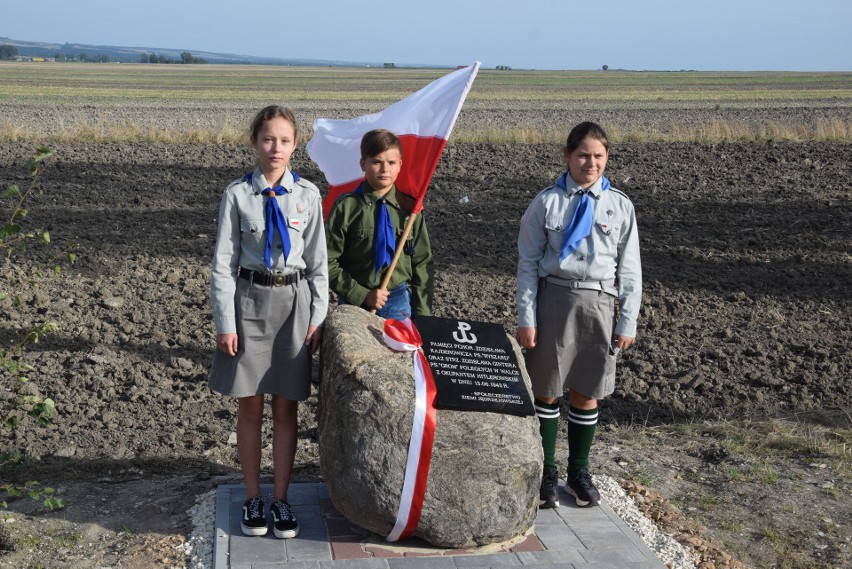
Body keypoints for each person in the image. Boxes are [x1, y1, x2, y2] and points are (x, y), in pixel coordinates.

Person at [209, 105, 328, 538]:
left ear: (295, 145)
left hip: (293, 305)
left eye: (283, 140)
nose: (275, 148)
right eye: (267, 139)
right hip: (249, 304)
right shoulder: (237, 195)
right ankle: (253, 498)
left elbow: (318, 264)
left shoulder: (308, 196)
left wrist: (317, 318)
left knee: (286, 406)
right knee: (250, 405)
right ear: (254, 142)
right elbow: (222, 265)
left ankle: (281, 501)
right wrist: (226, 321)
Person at [516, 121, 641, 508]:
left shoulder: (620, 205)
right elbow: (528, 263)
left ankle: (578, 472)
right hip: (554, 301)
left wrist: (627, 320)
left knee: (587, 392)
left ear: (607, 158)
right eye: (583, 155)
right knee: (548, 390)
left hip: (599, 305)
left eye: (599, 156)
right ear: (567, 157)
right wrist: (527, 316)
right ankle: (547, 472)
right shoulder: (546, 203)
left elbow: (630, 268)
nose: (591, 163)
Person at [325, 128, 434, 320]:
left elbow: (422, 263)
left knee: (399, 351)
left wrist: (423, 315)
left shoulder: (410, 209)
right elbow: (326, 261)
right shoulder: (347, 207)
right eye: (376, 162)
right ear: (363, 164)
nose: (385, 169)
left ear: (400, 165)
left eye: (391, 163)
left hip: (397, 302)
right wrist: (361, 295)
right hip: (354, 302)